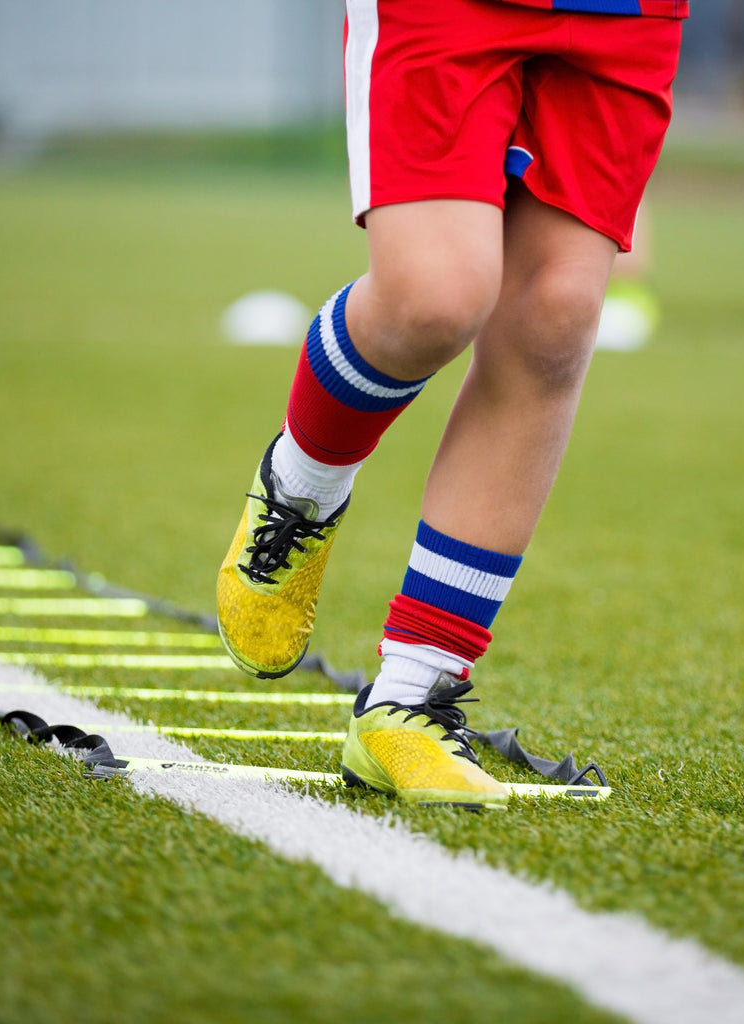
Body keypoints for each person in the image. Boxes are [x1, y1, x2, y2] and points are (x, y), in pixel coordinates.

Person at [217, 0, 688, 809]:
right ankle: (302, 489)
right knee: (433, 297)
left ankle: (411, 695)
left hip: (623, 13)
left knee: (555, 318)